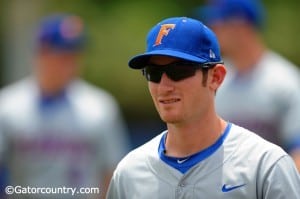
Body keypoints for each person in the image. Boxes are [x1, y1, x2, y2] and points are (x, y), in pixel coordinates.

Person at [105, 17, 300, 199]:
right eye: (153, 73)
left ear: (215, 77)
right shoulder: (129, 173)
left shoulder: (265, 166)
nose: (164, 87)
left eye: (178, 71)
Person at [0, 13, 130, 198]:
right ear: (41, 53)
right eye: (62, 54)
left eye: (75, 54)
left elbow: (112, 172)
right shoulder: (8, 105)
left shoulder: (100, 106)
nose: (71, 63)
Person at [191, 0, 300, 171]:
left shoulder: (285, 81)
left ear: (240, 26)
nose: (211, 31)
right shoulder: (216, 79)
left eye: (217, 23)